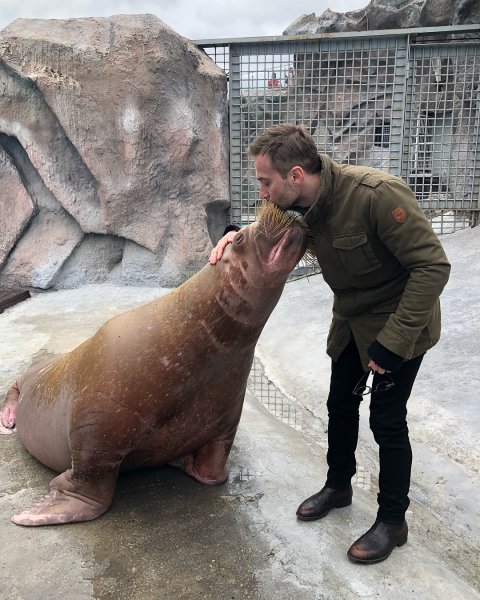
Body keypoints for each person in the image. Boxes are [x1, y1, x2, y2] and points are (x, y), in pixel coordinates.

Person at [209, 124, 451, 564]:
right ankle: (339, 485)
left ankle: (393, 521)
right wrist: (234, 234)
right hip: (351, 322)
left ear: (296, 175)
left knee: (387, 421)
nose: (261, 192)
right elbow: (268, 229)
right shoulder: (302, 204)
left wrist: (392, 343)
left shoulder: (377, 195)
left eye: (266, 182)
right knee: (340, 405)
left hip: (400, 324)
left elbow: (433, 267)